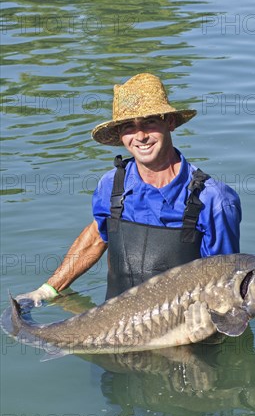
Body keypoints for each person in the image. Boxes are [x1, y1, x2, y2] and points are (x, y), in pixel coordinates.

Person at [15, 73, 241, 305]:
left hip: (182, 326)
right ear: (121, 135)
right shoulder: (112, 184)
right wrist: (46, 291)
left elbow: (224, 282)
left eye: (149, 122)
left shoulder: (214, 199)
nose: (140, 136)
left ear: (170, 123)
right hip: (111, 324)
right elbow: (96, 236)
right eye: (128, 127)